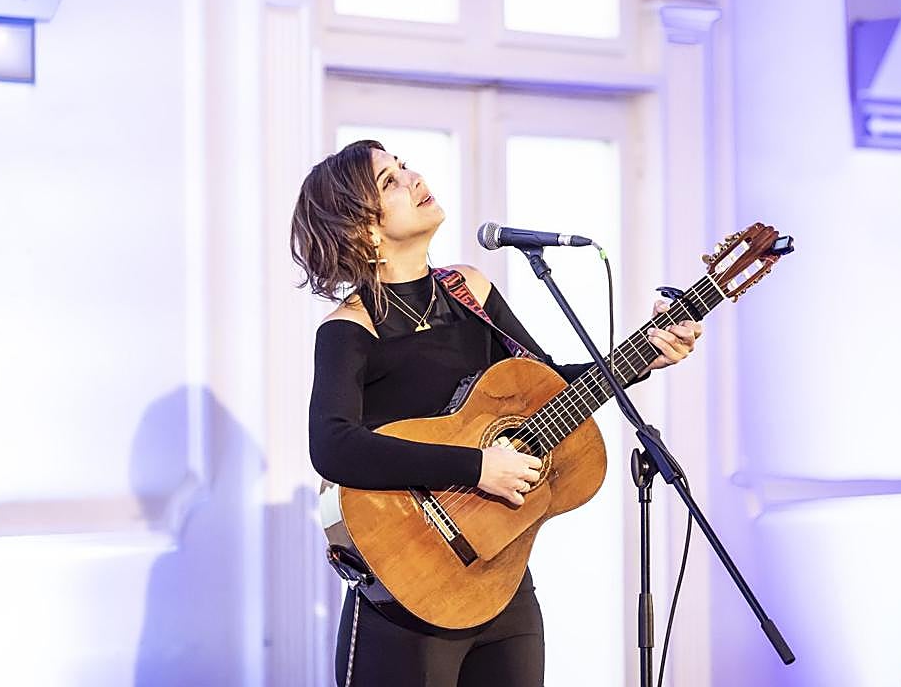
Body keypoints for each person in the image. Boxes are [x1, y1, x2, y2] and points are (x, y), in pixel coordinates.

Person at [291, 139, 703, 687]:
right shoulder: (349, 326)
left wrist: (648, 351)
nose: (413, 178)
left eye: (404, 166)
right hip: (406, 594)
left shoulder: (470, 291)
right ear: (362, 229)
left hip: (500, 580)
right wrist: (477, 467)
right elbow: (333, 444)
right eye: (390, 181)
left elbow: (551, 390)